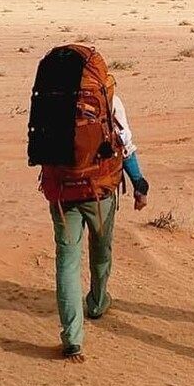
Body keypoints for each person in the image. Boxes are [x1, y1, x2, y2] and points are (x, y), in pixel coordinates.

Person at [30, 45, 149, 361]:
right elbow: (125, 145)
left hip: (61, 191)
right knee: (101, 248)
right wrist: (139, 184)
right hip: (100, 189)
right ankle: (97, 302)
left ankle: (72, 338)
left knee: (67, 261)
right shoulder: (108, 97)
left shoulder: (48, 99)